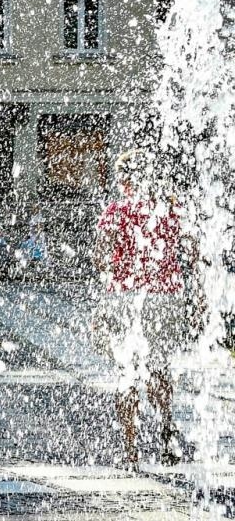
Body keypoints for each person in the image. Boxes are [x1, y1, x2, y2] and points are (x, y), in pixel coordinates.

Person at [95, 149, 194, 465]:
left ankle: (129, 449)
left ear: (125, 180)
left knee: (126, 372)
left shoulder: (116, 210)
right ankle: (166, 430)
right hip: (165, 297)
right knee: (160, 366)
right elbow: (191, 249)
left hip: (125, 296)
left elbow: (100, 255)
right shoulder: (170, 208)